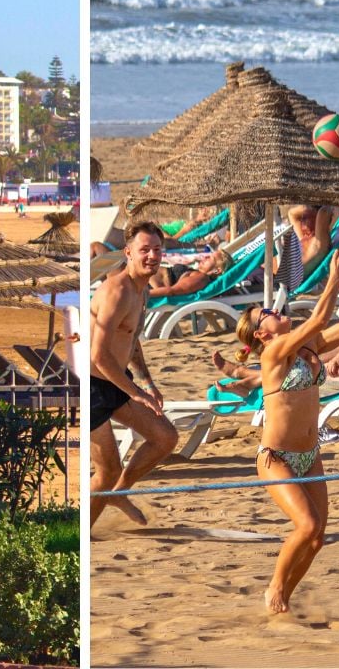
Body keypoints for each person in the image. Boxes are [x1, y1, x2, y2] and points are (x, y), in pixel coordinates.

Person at [235, 248, 339, 614]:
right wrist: (333, 274)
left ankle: (283, 603)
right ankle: (274, 588)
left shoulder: (306, 348)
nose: (277, 312)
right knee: (306, 525)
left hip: (310, 454)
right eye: (268, 314)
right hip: (277, 458)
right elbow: (320, 317)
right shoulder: (272, 355)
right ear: (262, 333)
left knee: (318, 537)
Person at [89, 221, 178, 530]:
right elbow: (98, 355)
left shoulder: (142, 291)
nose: (152, 256)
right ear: (128, 252)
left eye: (157, 250)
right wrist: (136, 393)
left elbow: (131, 340)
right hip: (91, 388)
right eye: (145, 250)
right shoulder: (117, 290)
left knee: (165, 437)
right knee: (107, 470)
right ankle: (79, 536)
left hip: (116, 380)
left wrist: (147, 383)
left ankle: (119, 493)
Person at [147, 250, 233, 298]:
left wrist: (141, 295)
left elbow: (172, 291)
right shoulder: (197, 273)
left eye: (210, 258)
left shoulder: (201, 278)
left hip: (146, 285)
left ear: (217, 270)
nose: (205, 257)